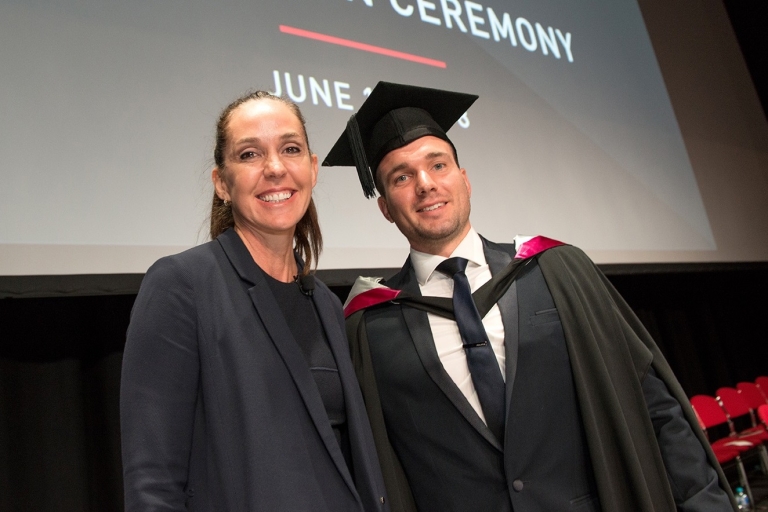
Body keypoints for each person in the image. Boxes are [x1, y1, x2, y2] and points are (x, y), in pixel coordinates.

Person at [323, 82, 736, 512]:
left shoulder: (556, 271)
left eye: (438, 165)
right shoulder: (368, 325)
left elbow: (655, 409)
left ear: (464, 180)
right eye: (401, 177)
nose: (425, 184)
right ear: (386, 207)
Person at [120, 91, 389, 511]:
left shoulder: (327, 306)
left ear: (312, 169)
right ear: (222, 184)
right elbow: (153, 481)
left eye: (290, 149)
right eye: (249, 154)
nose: (275, 168)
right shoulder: (182, 286)